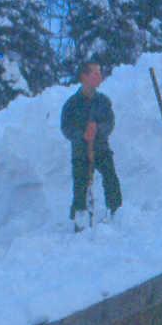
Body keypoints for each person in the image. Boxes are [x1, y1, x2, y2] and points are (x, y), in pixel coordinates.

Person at [60, 61, 122, 231]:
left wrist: (98, 130)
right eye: (95, 73)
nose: (99, 76)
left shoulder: (103, 101)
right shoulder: (71, 104)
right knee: (80, 186)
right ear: (84, 77)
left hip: (101, 149)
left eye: (100, 73)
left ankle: (116, 212)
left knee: (111, 179)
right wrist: (82, 135)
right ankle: (80, 221)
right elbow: (66, 128)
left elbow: (110, 122)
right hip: (81, 153)